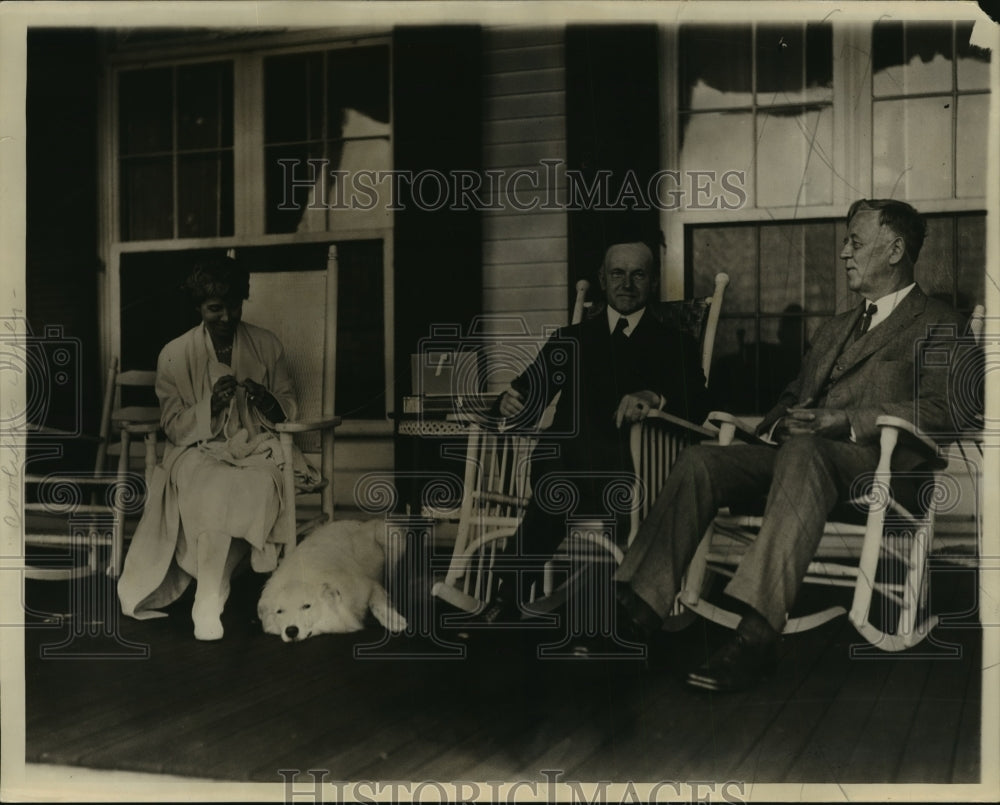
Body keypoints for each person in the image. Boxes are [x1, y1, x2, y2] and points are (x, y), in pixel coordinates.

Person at [601, 199, 967, 690]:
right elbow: (795, 394)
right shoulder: (839, 325)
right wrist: (774, 424)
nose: (843, 253)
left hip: (878, 468)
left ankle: (756, 635)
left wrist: (848, 420)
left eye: (855, 243)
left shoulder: (938, 323)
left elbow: (948, 410)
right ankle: (638, 617)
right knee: (702, 461)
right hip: (797, 457)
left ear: (895, 250)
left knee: (805, 451)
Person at [480, 239, 709, 621]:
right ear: (603, 279)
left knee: (559, 476)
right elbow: (525, 397)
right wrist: (507, 403)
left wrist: (654, 396)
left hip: (635, 471)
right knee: (558, 472)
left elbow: (699, 405)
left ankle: (507, 596)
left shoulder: (674, 344)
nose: (627, 283)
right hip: (564, 468)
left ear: (653, 282)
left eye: (639, 274)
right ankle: (512, 597)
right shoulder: (570, 341)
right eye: (617, 273)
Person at [118, 257, 315, 640]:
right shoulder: (174, 353)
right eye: (215, 309)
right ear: (198, 308)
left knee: (257, 485)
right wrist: (211, 406)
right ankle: (211, 594)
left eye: (235, 305)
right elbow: (173, 425)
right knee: (210, 487)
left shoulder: (266, 345)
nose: (227, 316)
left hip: (258, 447)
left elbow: (288, 409)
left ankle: (208, 596)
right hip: (198, 450)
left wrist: (265, 401)